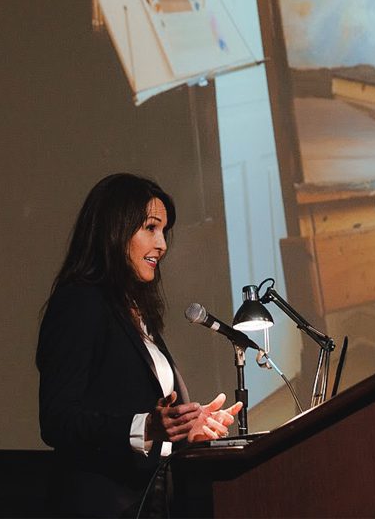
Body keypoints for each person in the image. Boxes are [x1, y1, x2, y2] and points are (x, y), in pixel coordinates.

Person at [36, 173, 242, 516]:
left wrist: (187, 427)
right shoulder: (80, 302)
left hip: (156, 501)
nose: (161, 244)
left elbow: (149, 417)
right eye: (150, 228)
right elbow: (57, 419)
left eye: (164, 232)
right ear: (114, 230)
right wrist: (143, 426)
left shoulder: (136, 313)